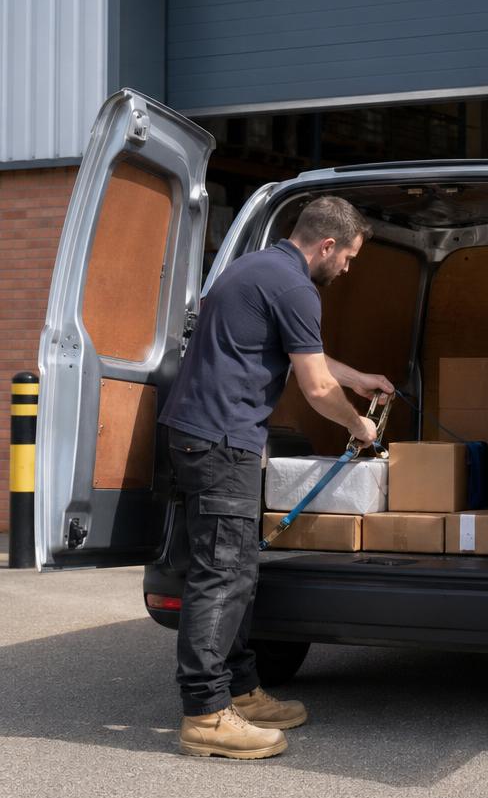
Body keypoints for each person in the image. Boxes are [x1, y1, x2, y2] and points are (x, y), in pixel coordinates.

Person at [158, 195, 394, 760]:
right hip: (220, 442)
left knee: (237, 570)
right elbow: (314, 389)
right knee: (222, 576)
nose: (347, 269)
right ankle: (206, 713)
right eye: (350, 258)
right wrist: (361, 426)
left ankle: (241, 690)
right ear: (328, 245)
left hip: (206, 436)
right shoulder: (295, 287)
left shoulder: (261, 268)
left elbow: (303, 356)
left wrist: (357, 377)